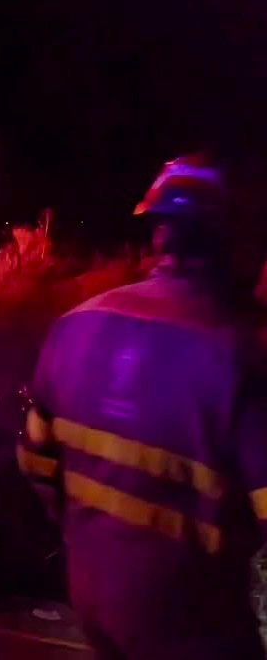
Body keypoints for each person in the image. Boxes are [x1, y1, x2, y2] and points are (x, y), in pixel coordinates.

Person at [18, 156, 267, 660]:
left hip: (93, 595)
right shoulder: (243, 351)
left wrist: (98, 540)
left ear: (157, 237)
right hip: (197, 618)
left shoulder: (74, 326)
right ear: (230, 242)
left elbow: (34, 463)